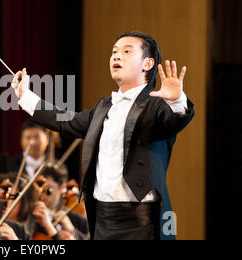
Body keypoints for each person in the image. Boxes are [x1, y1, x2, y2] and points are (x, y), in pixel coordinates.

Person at [11, 31, 195, 240]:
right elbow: (64, 120)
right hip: (102, 217)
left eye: (127, 51)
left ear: (147, 64)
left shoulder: (156, 105)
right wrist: (26, 96)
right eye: (114, 52)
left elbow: (175, 120)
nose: (117, 56)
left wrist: (177, 101)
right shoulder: (103, 106)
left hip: (141, 222)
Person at [31, 166, 90, 240]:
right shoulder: (30, 218)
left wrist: (73, 231)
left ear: (62, 188)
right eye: (38, 189)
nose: (41, 194)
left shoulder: (79, 221)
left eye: (48, 190)